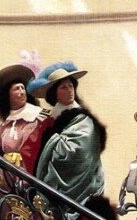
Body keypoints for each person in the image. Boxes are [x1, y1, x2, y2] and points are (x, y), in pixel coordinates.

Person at [0, 62, 53, 220]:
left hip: (32, 178)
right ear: (7, 95)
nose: (22, 92)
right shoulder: (4, 126)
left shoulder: (40, 117)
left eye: (23, 88)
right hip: (9, 182)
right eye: (17, 89)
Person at [32, 62, 107, 204]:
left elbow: (78, 150)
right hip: (53, 185)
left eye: (71, 86)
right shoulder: (49, 119)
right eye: (63, 87)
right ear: (54, 93)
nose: (69, 90)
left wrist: (52, 142)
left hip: (81, 183)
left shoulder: (83, 119)